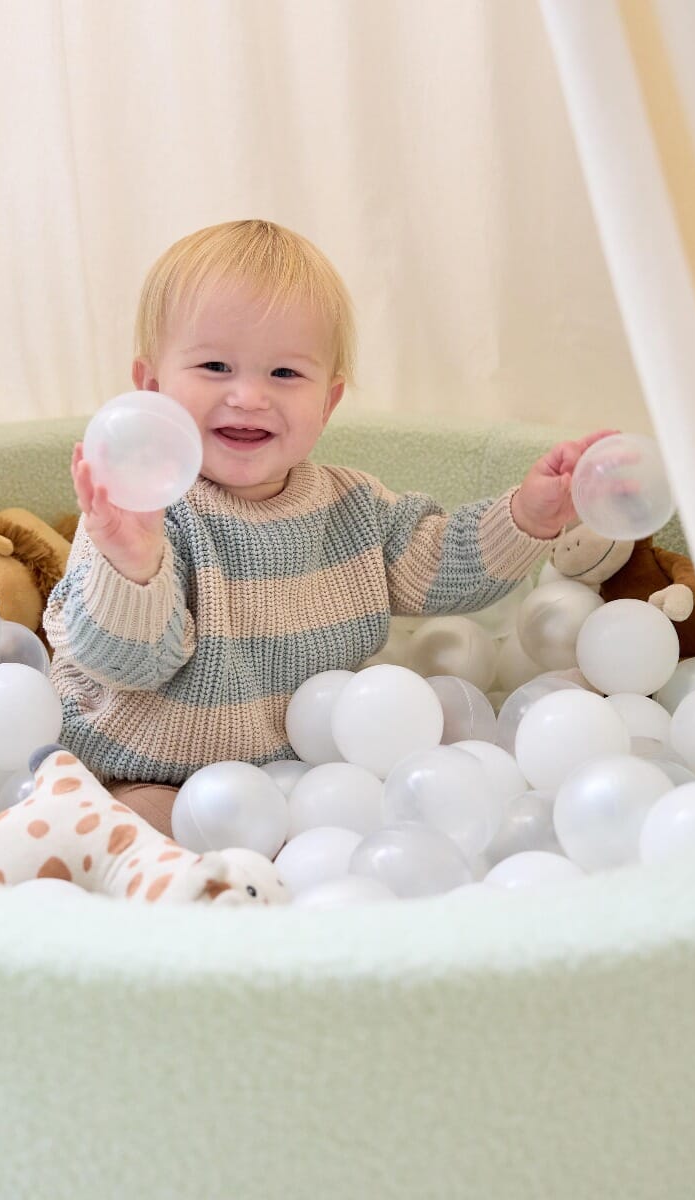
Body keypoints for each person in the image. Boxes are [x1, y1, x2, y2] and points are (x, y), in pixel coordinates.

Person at [44, 219, 612, 835]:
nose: (249, 397)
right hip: (149, 766)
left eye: (284, 374)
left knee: (415, 804)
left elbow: (440, 565)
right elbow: (127, 663)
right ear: (152, 388)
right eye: (214, 366)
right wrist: (133, 564)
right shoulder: (139, 515)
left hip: (314, 777)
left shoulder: (352, 508)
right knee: (135, 831)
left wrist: (528, 515)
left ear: (328, 402)